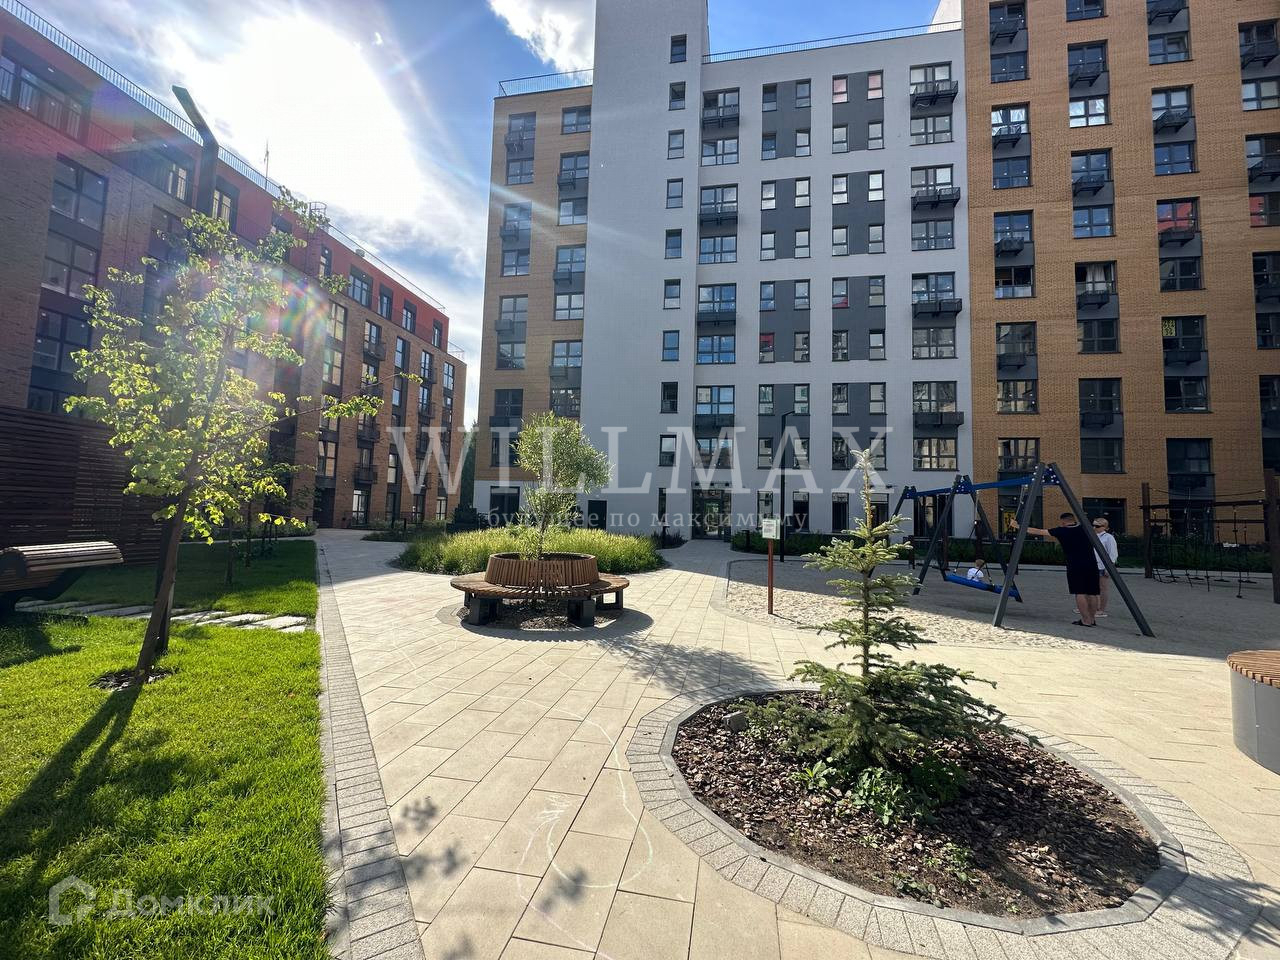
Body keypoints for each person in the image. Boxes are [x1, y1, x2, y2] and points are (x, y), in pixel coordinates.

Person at [1011, 512, 1100, 627]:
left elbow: (1038, 531)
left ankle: (1085, 620)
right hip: (1091, 563)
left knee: (1080, 592)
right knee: (1092, 592)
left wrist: (1017, 526)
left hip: (1075, 564)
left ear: (1063, 522)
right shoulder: (1084, 528)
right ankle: (1092, 619)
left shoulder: (1061, 531)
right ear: (1073, 520)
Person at [1092, 517, 1118, 617]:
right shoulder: (1092, 535)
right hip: (1092, 565)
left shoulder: (1109, 538)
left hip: (1102, 566)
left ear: (1105, 527)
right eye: (1093, 525)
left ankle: (1101, 609)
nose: (1094, 528)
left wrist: (1109, 567)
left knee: (1103, 588)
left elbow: (1113, 553)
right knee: (1092, 587)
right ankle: (1093, 606)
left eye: (1097, 526)